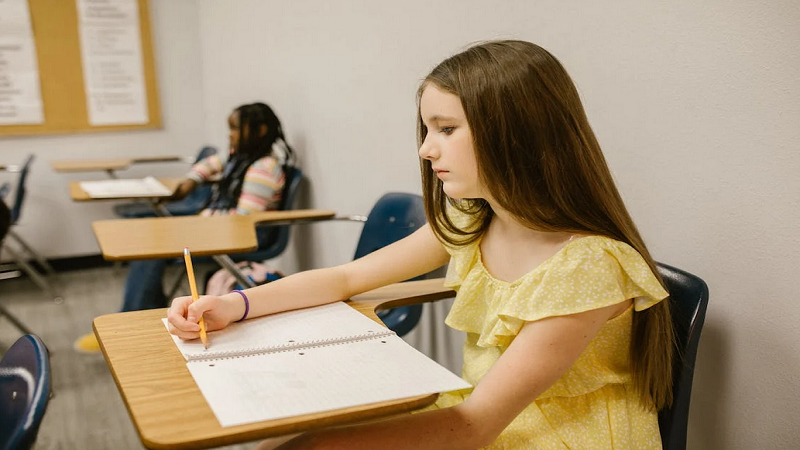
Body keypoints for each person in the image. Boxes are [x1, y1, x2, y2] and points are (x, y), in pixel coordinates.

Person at [168, 40, 674, 449]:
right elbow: (348, 277)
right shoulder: (474, 219)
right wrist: (235, 305)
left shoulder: (587, 266)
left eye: (446, 129)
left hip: (554, 436)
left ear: (516, 134)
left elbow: (476, 426)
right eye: (428, 129)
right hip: (483, 418)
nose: (427, 149)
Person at [74, 102, 294, 353]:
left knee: (152, 246)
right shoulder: (240, 159)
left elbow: (241, 220)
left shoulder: (263, 168)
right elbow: (212, 163)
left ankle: (130, 321)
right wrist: (192, 180)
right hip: (217, 229)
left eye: (234, 129)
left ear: (260, 130)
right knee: (151, 243)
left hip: (244, 235)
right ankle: (143, 316)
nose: (229, 135)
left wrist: (201, 220)